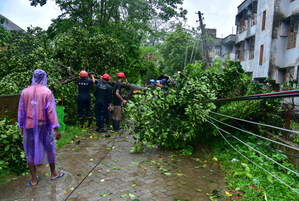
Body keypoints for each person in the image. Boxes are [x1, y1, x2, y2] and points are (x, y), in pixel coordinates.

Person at [18, 69, 64, 186]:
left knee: (30, 150)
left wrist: (21, 125)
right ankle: (53, 173)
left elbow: (21, 111)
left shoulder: (25, 92)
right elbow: (51, 112)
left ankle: (34, 179)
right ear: (44, 77)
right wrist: (56, 129)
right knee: (49, 148)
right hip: (43, 126)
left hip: (28, 125)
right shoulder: (47, 92)